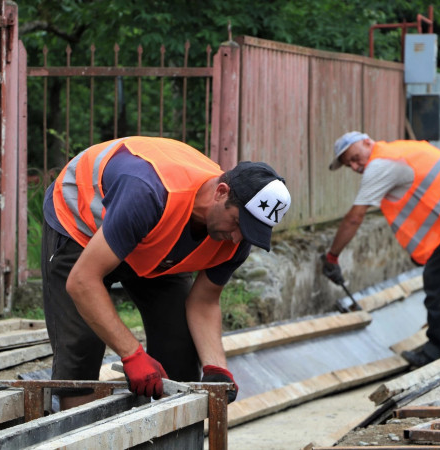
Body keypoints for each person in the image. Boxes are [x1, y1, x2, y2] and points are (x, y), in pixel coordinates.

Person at [41, 136, 291, 409]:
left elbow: (204, 301)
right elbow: (82, 281)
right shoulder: (148, 193)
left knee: (180, 346)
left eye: (249, 232)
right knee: (82, 348)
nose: (235, 238)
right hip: (83, 227)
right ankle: (80, 434)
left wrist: (217, 369)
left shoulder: (236, 238)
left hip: (153, 237)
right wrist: (132, 355)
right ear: (221, 192)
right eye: (237, 223)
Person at [320, 131, 440, 368]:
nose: (354, 166)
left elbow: (355, 218)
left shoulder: (380, 165)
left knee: (439, 281)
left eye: (353, 157)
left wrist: (333, 256)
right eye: (348, 164)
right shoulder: (398, 150)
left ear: (367, 142)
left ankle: (436, 352)